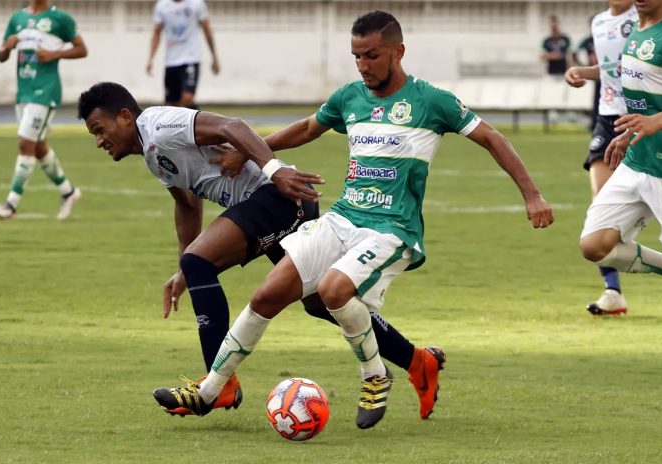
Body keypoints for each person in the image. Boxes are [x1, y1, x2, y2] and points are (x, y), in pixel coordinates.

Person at [170, 10, 554, 430]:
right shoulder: (350, 97)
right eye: (356, 56)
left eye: (372, 55)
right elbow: (307, 128)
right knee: (266, 296)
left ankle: (375, 374)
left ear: (398, 51)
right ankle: (209, 392)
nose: (363, 65)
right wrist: (253, 150)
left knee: (334, 291)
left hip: (392, 228)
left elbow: (491, 138)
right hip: (343, 219)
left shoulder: (431, 101)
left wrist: (532, 195)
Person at [77, 82, 447, 421]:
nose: (98, 141)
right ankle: (417, 361)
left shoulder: (159, 124)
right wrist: (182, 269)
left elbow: (232, 126)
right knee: (321, 301)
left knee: (202, 261)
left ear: (125, 117)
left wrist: (274, 171)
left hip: (277, 197)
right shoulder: (152, 154)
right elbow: (188, 205)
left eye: (99, 130)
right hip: (272, 206)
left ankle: (217, 385)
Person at [581, 0, 662, 294]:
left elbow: (655, 113)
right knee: (594, 244)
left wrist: (657, 121)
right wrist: (631, 133)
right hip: (638, 160)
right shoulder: (636, 35)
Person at [564, 0, 637, 316]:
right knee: (601, 209)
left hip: (642, 116)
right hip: (607, 120)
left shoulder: (647, 16)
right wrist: (582, 71)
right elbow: (611, 70)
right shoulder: (598, 22)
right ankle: (612, 291)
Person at [0, 0, 87, 220]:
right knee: (38, 147)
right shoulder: (17, 19)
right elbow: (1, 57)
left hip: (46, 91)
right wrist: (7, 47)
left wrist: (54, 55)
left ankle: (11, 204)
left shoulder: (60, 19)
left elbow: (82, 49)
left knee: (25, 143)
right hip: (24, 92)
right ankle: (68, 192)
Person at [146, 0, 219, 108]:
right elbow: (157, 32)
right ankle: (186, 122)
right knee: (172, 104)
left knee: (187, 98)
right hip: (171, 61)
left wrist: (214, 57)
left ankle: (195, 121)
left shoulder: (197, 4)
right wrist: (151, 58)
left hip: (191, 58)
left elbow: (207, 29)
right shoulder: (162, 6)